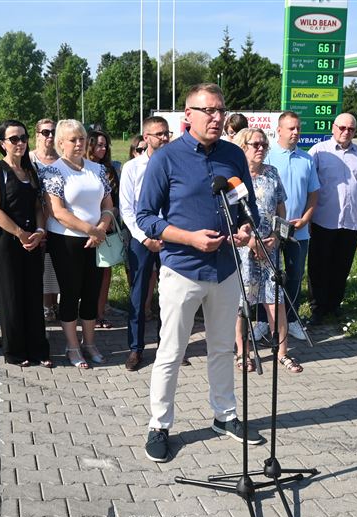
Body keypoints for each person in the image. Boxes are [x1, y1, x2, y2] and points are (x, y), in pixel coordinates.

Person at [136, 83, 263, 463]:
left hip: (225, 270)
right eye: (209, 110)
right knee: (171, 351)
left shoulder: (233, 155)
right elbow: (145, 217)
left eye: (221, 109)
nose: (217, 117)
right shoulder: (166, 158)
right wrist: (189, 238)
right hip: (183, 270)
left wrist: (245, 229)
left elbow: (248, 208)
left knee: (223, 347)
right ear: (188, 115)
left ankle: (225, 416)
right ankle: (159, 425)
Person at [40, 119, 113, 369]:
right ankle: (72, 347)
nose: (79, 143)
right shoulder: (53, 171)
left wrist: (101, 228)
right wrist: (91, 230)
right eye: (73, 139)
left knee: (92, 293)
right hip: (66, 241)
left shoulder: (97, 169)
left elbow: (108, 204)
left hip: (96, 239)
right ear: (61, 143)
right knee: (70, 294)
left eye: (82, 138)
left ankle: (89, 343)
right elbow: (57, 211)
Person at [231, 128, 301, 374]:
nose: (261, 148)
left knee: (275, 300)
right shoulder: (234, 178)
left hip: (270, 246)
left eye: (264, 144)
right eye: (255, 144)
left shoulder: (272, 173)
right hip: (244, 248)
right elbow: (230, 215)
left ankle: (282, 353)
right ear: (243, 147)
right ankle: (243, 352)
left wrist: (276, 237)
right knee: (244, 304)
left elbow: (281, 207)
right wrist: (250, 242)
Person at [0, 120, 53, 367]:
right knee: (11, 298)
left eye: (23, 138)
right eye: (14, 139)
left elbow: (38, 206)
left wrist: (39, 231)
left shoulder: (31, 170)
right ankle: (15, 352)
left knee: (33, 296)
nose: (20, 143)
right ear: (2, 143)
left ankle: (38, 350)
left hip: (32, 242)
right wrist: (19, 233)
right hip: (6, 242)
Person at [306, 113, 357, 324]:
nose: (346, 132)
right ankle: (317, 307)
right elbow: (308, 188)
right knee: (318, 266)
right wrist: (307, 218)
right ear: (333, 127)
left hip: (352, 221)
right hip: (323, 219)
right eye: (342, 127)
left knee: (342, 266)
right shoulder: (318, 152)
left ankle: (334, 305)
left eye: (351, 129)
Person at [119, 116, 170, 371]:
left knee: (170, 294)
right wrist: (145, 238)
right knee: (139, 295)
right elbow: (127, 208)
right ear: (146, 137)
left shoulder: (175, 163)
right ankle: (136, 349)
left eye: (167, 133)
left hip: (171, 236)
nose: (165, 138)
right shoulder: (132, 168)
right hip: (142, 238)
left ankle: (166, 347)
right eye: (159, 134)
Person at [264, 111, 319, 341]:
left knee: (295, 275)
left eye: (298, 128)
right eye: (291, 128)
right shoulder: (267, 156)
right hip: (271, 231)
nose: (296, 132)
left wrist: (305, 219)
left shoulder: (307, 159)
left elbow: (313, 194)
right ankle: (264, 321)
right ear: (279, 130)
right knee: (268, 277)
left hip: (299, 230)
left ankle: (292, 319)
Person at [86, 130, 121, 329]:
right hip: (85, 228)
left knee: (104, 272)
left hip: (106, 228)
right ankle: (86, 313)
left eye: (105, 145)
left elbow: (115, 200)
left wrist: (107, 221)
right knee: (85, 275)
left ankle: (99, 314)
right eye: (99, 144)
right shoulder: (82, 167)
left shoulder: (110, 170)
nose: (103, 148)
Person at [29, 118, 61, 323]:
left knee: (54, 265)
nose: (50, 136)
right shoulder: (29, 159)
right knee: (40, 265)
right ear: (37, 135)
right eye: (45, 132)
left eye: (53, 132)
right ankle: (44, 305)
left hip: (58, 220)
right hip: (36, 219)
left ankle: (54, 303)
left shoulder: (62, 159)